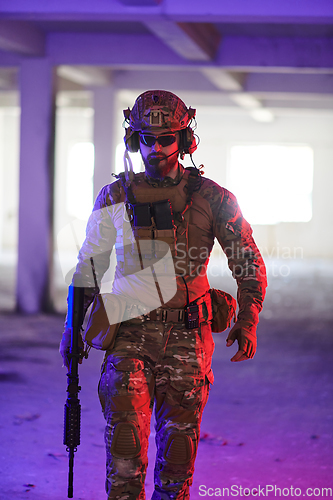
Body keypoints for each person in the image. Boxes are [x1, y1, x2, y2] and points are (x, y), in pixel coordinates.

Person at [60, 90, 267, 500]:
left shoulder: (214, 199)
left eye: (166, 138)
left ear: (185, 140)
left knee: (176, 469)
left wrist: (248, 320)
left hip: (188, 342)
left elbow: (247, 262)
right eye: (147, 139)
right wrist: (71, 327)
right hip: (128, 337)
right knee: (124, 462)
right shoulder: (115, 196)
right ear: (134, 141)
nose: (157, 148)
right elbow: (88, 267)